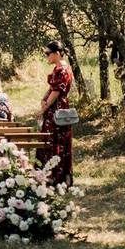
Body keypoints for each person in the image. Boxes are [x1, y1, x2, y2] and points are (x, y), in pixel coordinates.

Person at [36, 41, 74, 185]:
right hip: (55, 107)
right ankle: (53, 175)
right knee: (54, 140)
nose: (46, 56)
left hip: (57, 109)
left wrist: (43, 109)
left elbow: (57, 91)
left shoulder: (62, 70)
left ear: (57, 53)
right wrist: (43, 99)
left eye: (48, 53)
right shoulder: (59, 68)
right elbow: (52, 88)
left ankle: (56, 175)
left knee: (55, 140)